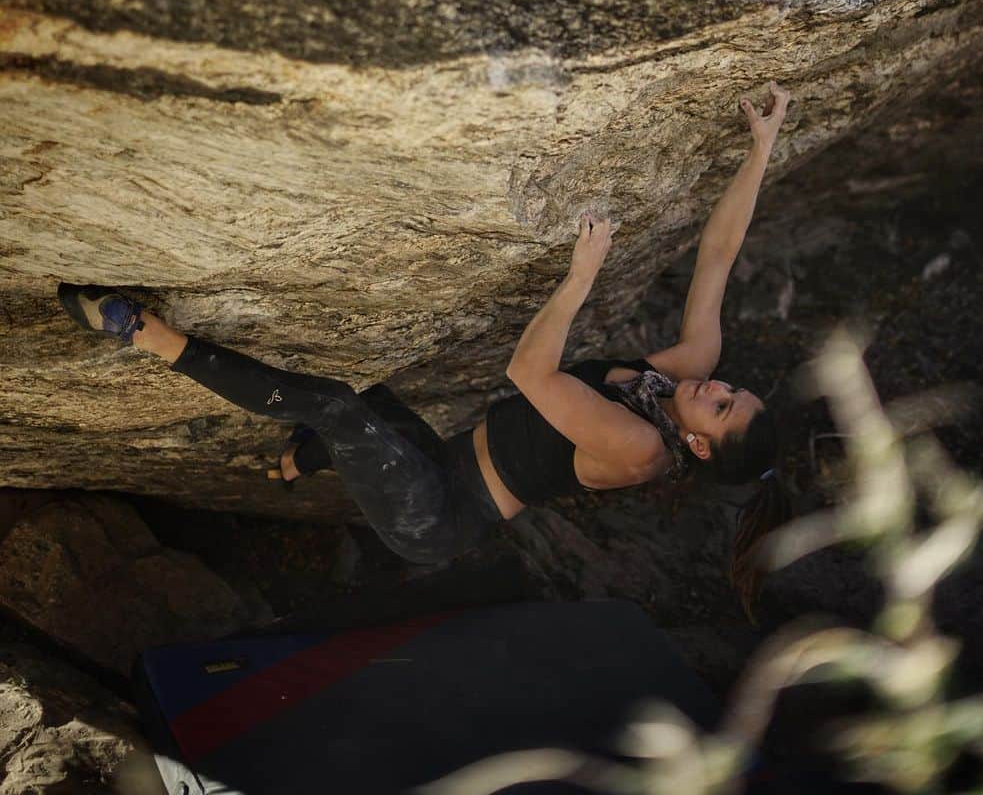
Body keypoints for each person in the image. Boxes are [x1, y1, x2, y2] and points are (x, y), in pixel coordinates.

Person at [58, 82, 793, 615]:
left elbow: (526, 371)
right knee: (368, 399)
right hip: (441, 456)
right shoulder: (685, 378)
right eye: (733, 390)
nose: (716, 387)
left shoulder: (639, 447)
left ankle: (143, 334)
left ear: (698, 447)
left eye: (723, 407)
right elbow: (718, 257)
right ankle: (294, 463)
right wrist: (761, 148)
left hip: (437, 513)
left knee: (338, 407)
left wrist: (579, 278)